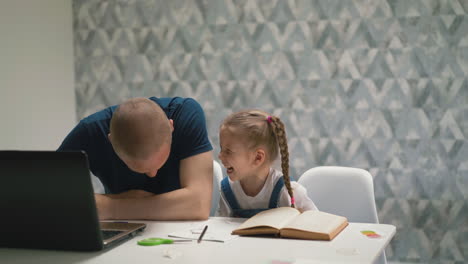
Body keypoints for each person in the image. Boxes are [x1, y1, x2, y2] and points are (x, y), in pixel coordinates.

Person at [58, 97, 213, 220]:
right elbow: (51, 199)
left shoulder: (185, 113)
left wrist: (113, 207)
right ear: (111, 141)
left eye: (160, 163)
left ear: (171, 126)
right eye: (139, 169)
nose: (153, 174)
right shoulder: (90, 132)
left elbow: (198, 204)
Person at [216, 110, 318, 217]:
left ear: (258, 158)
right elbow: (220, 228)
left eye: (228, 151)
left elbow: (318, 225)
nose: (220, 156)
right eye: (221, 148)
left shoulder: (288, 192)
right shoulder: (227, 190)